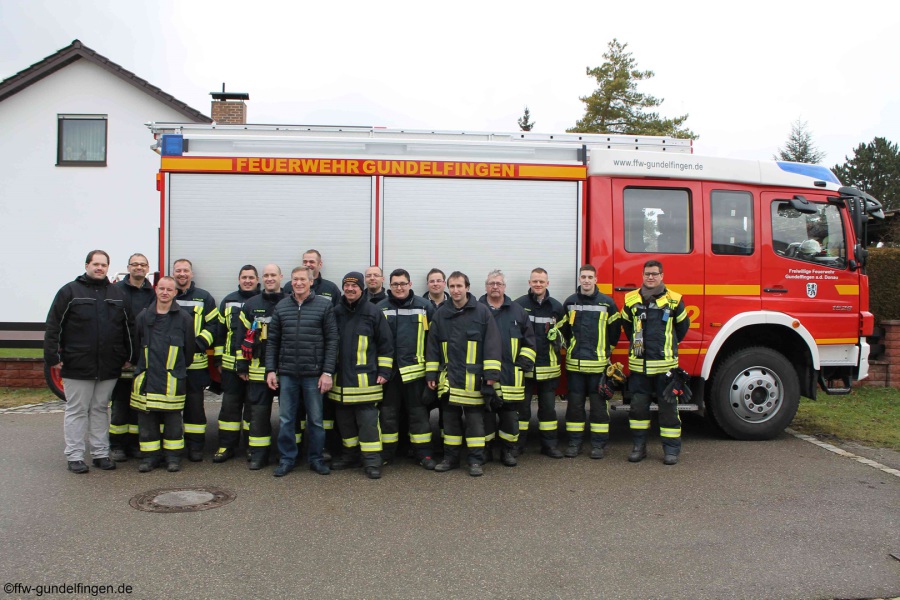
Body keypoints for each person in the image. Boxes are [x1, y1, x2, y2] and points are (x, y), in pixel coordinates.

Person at [44, 250, 133, 473]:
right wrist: (52, 357)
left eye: (103, 264)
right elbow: (54, 325)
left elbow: (128, 329)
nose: (99, 268)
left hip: (109, 364)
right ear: (87, 265)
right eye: (95, 264)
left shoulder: (117, 294)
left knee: (100, 409)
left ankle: (100, 454)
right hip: (77, 363)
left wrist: (130, 357)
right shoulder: (69, 292)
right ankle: (74, 456)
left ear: (108, 267)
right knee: (76, 410)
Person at [426, 271, 501, 477]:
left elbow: (492, 345)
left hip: (473, 380)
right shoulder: (441, 314)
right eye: (452, 286)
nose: (456, 290)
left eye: (459, 286)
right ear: (448, 289)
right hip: (449, 379)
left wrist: (491, 374)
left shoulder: (482, 312)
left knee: (475, 422)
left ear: (467, 287)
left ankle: (475, 460)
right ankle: (450, 458)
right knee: (449, 421)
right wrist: (431, 374)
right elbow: (432, 346)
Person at [266, 266, 338, 477]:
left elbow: (332, 341)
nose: (298, 283)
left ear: (311, 281)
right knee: (287, 419)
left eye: (302, 280)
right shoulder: (281, 307)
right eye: (295, 279)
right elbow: (273, 341)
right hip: (287, 374)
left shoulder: (324, 306)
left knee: (316, 420)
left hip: (313, 375)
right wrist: (271, 370)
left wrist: (327, 372)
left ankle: (316, 459)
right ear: (290, 281)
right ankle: (287, 459)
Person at [620, 260, 690, 465]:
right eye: (647, 274)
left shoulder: (675, 300)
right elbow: (627, 327)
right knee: (638, 410)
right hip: (639, 368)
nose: (650, 277)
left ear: (662, 275)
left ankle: (671, 450)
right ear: (642, 276)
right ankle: (639, 448)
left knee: (668, 410)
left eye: (654, 274)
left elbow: (682, 329)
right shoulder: (631, 299)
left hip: (665, 368)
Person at [329, 272, 393, 479]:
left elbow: (385, 344)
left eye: (354, 286)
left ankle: (372, 461)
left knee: (368, 424)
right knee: (345, 424)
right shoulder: (335, 312)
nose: (349, 289)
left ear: (361, 288)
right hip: (340, 384)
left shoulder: (373, 312)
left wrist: (384, 371)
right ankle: (350, 455)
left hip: (366, 381)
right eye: (346, 286)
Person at [131, 276, 195, 473]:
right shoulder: (142, 317)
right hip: (147, 378)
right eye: (162, 289)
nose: (165, 292)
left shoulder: (184, 319)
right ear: (156, 290)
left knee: (173, 422)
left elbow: (189, 353)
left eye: (169, 289)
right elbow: (135, 346)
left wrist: (176, 370)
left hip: (172, 379)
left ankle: (173, 457)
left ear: (175, 293)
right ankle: (150, 457)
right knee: (147, 421)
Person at [376, 268, 436, 469]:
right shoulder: (380, 308)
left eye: (402, 283)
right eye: (395, 284)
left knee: (419, 416)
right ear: (389, 286)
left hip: (416, 374)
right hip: (390, 374)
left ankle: (424, 454)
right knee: (388, 416)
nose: (399, 288)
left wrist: (431, 372)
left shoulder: (425, 307)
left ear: (410, 284)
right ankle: (386, 454)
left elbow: (433, 342)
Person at [561, 264, 620, 459]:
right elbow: (564, 332)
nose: (586, 280)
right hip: (575, 366)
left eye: (590, 277)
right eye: (583, 277)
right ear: (579, 279)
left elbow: (614, 333)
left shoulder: (607, 304)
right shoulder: (570, 303)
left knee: (598, 408)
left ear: (596, 280)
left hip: (597, 367)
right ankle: (574, 443)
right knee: (574, 407)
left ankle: (598, 445)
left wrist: (604, 351)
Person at [479, 270, 536, 467]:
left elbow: (530, 341)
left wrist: (522, 364)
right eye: (491, 283)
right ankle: (485, 450)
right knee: (485, 415)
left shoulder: (518, 311)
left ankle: (508, 451)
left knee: (510, 417)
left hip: (511, 376)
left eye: (499, 283)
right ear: (485, 286)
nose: (495, 287)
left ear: (505, 287)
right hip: (484, 375)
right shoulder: (477, 310)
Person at [234, 264, 285, 470]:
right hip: (257, 369)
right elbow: (240, 338)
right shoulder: (251, 304)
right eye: (266, 275)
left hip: (285, 370)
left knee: (291, 414)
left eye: (273, 275)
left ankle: (287, 454)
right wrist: (241, 365)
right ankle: (259, 454)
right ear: (261, 279)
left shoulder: (290, 302)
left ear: (281, 277)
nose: (270, 278)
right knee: (258, 415)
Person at [515, 267, 566, 458]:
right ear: (529, 283)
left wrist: (558, 337)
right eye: (535, 281)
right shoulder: (519, 305)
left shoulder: (556, 307)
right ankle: (518, 445)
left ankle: (549, 445)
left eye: (541, 281)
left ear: (547, 283)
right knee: (522, 410)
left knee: (548, 411)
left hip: (549, 368)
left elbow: (565, 335)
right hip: (525, 367)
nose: (538, 284)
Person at [109, 253, 156, 462]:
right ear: (128, 267)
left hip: (143, 357)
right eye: (135, 264)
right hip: (122, 358)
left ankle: (136, 443)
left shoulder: (152, 293)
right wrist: (121, 355)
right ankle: (117, 445)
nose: (138, 267)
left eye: (142, 265)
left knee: (138, 403)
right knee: (120, 402)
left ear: (148, 269)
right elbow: (112, 325)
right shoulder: (116, 291)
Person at [212, 265, 260, 463]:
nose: (247, 280)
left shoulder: (262, 302)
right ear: (239, 279)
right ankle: (226, 446)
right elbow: (220, 332)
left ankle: (250, 447)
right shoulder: (229, 301)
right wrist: (218, 359)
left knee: (252, 408)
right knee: (229, 408)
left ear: (258, 280)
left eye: (251, 277)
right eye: (244, 277)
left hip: (254, 366)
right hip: (231, 366)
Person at [172, 259, 219, 462]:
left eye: (185, 270)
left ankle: (196, 447)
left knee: (194, 408)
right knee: (170, 407)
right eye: (178, 270)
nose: (182, 274)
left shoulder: (204, 297)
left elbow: (214, 325)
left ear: (191, 274)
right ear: (173, 273)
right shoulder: (166, 294)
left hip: (195, 365)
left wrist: (198, 344)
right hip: (170, 364)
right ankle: (172, 447)